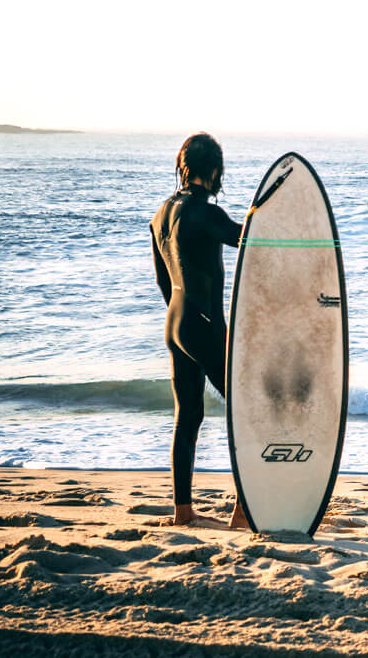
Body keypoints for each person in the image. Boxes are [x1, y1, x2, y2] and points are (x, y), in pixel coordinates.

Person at [151, 133, 249, 530]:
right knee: (246, 410)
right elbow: (250, 240)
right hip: (203, 325)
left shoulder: (161, 214)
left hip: (175, 324)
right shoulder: (207, 212)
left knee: (188, 416)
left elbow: (162, 280)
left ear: (184, 166)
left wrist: (184, 322)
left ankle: (183, 511)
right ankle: (243, 512)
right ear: (214, 171)